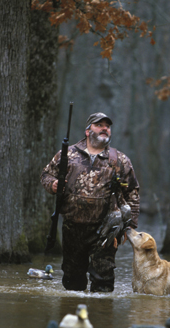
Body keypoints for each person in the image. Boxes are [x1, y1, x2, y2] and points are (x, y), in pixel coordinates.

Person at [40, 112, 140, 292]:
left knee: (103, 282)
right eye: (99, 125)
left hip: (106, 230)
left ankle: (100, 317)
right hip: (72, 228)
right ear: (88, 131)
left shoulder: (119, 159)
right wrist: (52, 184)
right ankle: (73, 317)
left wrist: (130, 226)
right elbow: (46, 175)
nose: (104, 129)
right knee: (72, 282)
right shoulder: (68, 154)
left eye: (107, 126)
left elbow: (132, 191)